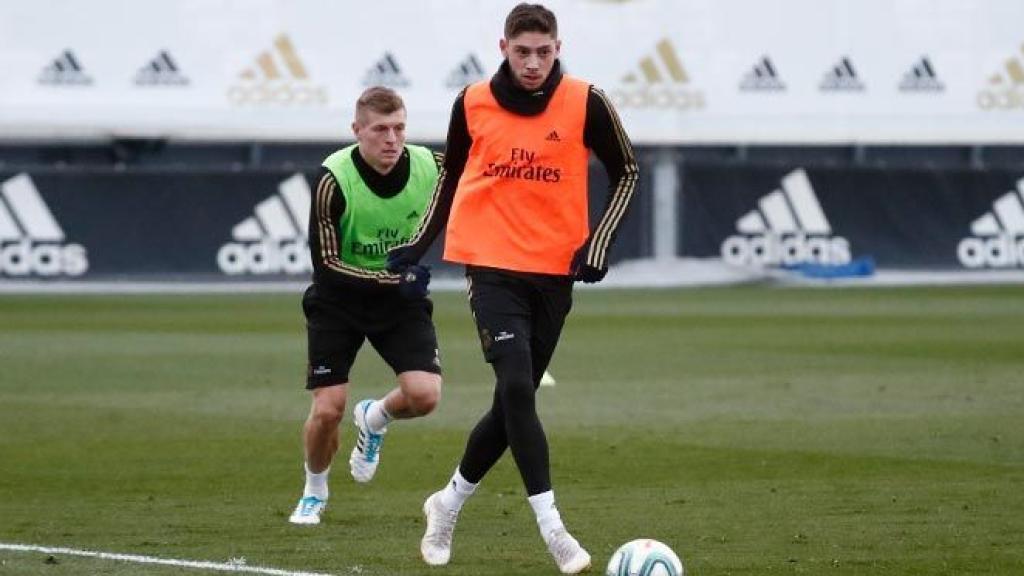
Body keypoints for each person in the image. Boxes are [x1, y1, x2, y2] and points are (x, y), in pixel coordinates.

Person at [387, 4, 638, 573]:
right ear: (503, 47)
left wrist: (597, 243)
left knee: (509, 404)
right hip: (491, 265)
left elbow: (627, 169)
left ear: (557, 47)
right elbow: (450, 177)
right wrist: (419, 247)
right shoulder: (472, 102)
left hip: (553, 273)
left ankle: (447, 502)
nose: (532, 63)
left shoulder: (585, 101)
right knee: (519, 389)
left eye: (543, 52)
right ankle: (555, 530)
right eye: (522, 52)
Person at [289, 86, 443, 526]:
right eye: (380, 129)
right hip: (338, 302)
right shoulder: (333, 180)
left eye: (399, 128)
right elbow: (326, 266)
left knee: (425, 396)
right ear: (357, 131)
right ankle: (314, 491)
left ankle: (375, 418)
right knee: (328, 409)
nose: (391, 139)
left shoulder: (431, 166)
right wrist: (391, 277)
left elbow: (473, 190)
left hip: (399, 301)